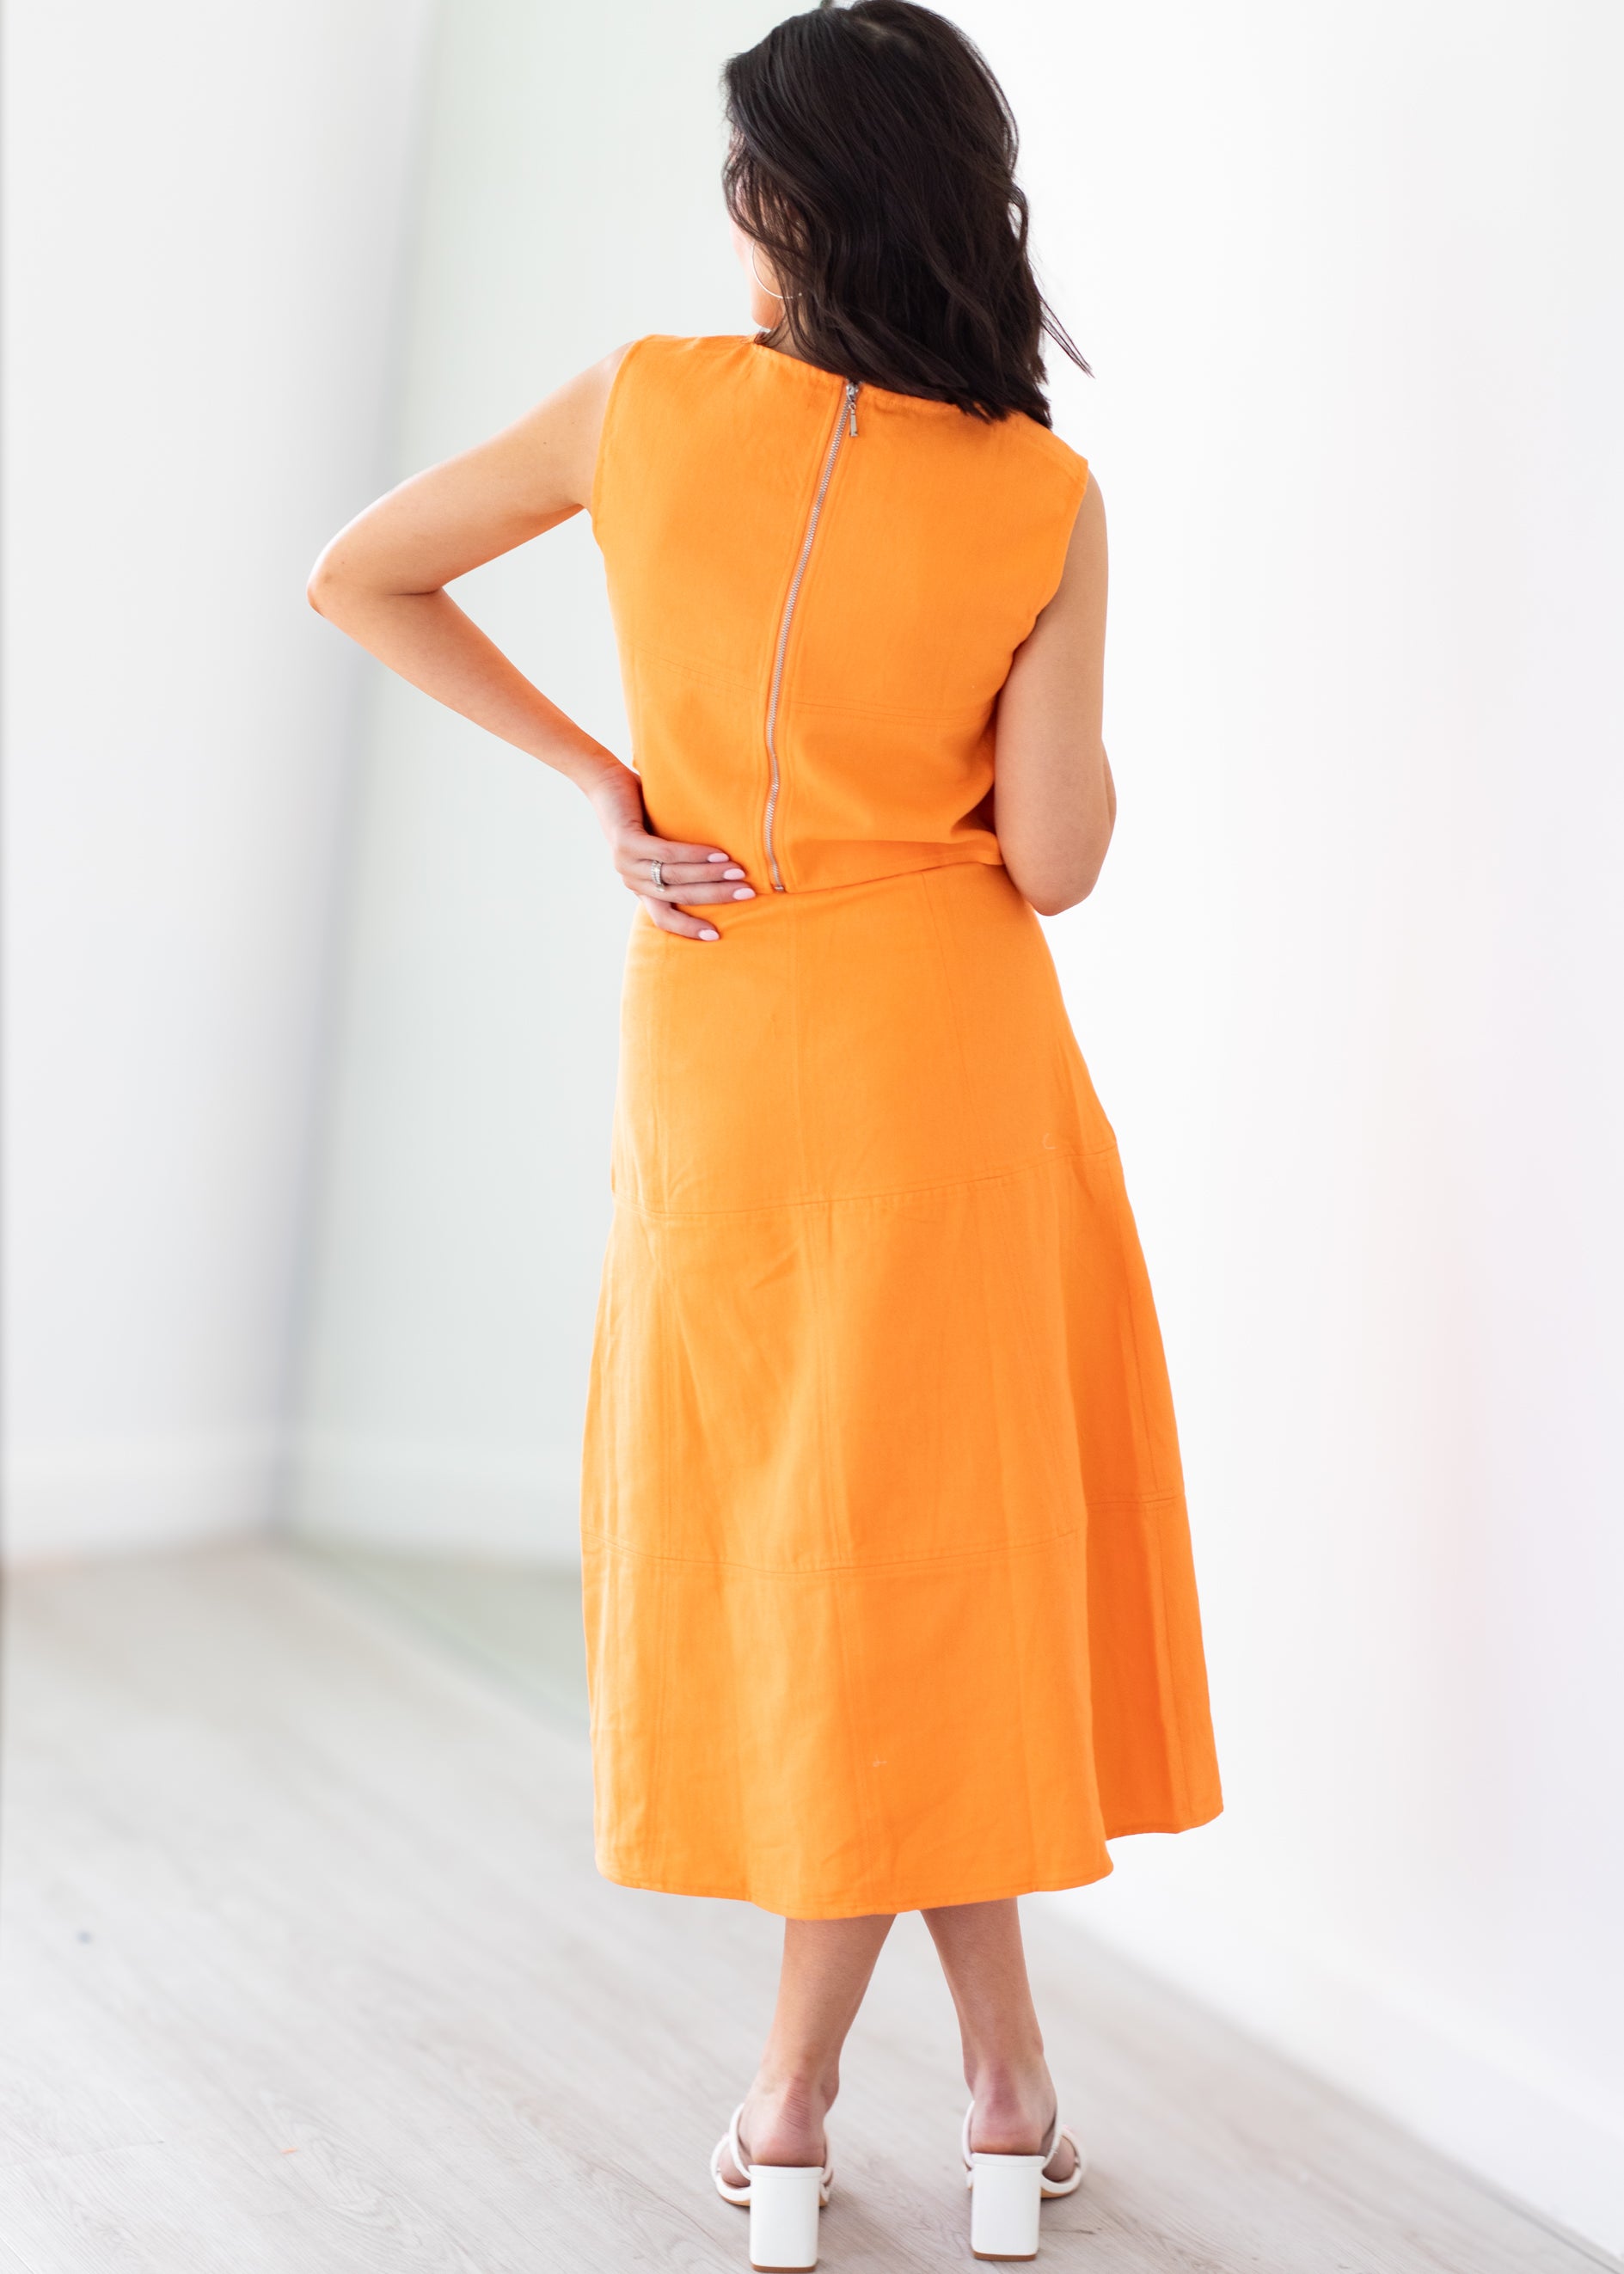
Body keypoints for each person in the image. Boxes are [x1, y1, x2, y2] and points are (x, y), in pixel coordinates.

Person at [309, 3, 1221, 2262]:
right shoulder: (1037, 489)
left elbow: (364, 570)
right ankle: (970, 2094)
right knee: (919, 1573)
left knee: (842, 1577)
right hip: (947, 1056)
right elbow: (1060, 858)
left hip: (719, 1027)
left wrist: (609, 781)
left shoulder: (641, 406)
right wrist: (1053, 638)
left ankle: (811, 2106)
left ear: (776, 201)